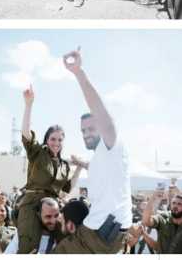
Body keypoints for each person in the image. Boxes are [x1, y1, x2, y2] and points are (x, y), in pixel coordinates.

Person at [55, 47, 132, 253]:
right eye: (83, 131)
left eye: (91, 128)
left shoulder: (112, 143)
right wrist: (82, 164)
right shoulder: (102, 156)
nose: (86, 133)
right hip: (105, 232)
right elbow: (103, 172)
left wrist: (79, 73)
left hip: (100, 233)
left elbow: (102, 116)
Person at [16, 84, 83, 253]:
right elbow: (26, 134)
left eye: (60, 140)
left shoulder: (64, 165)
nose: (57, 143)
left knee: (67, 243)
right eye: (53, 139)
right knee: (28, 248)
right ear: (47, 139)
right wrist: (28, 105)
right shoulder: (37, 152)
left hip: (53, 207)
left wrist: (80, 168)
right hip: (32, 204)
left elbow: (67, 187)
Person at [142, 187, 182, 253]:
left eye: (179, 204)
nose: (175, 206)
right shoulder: (163, 217)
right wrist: (153, 198)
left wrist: (179, 192)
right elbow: (146, 221)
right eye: (173, 203)